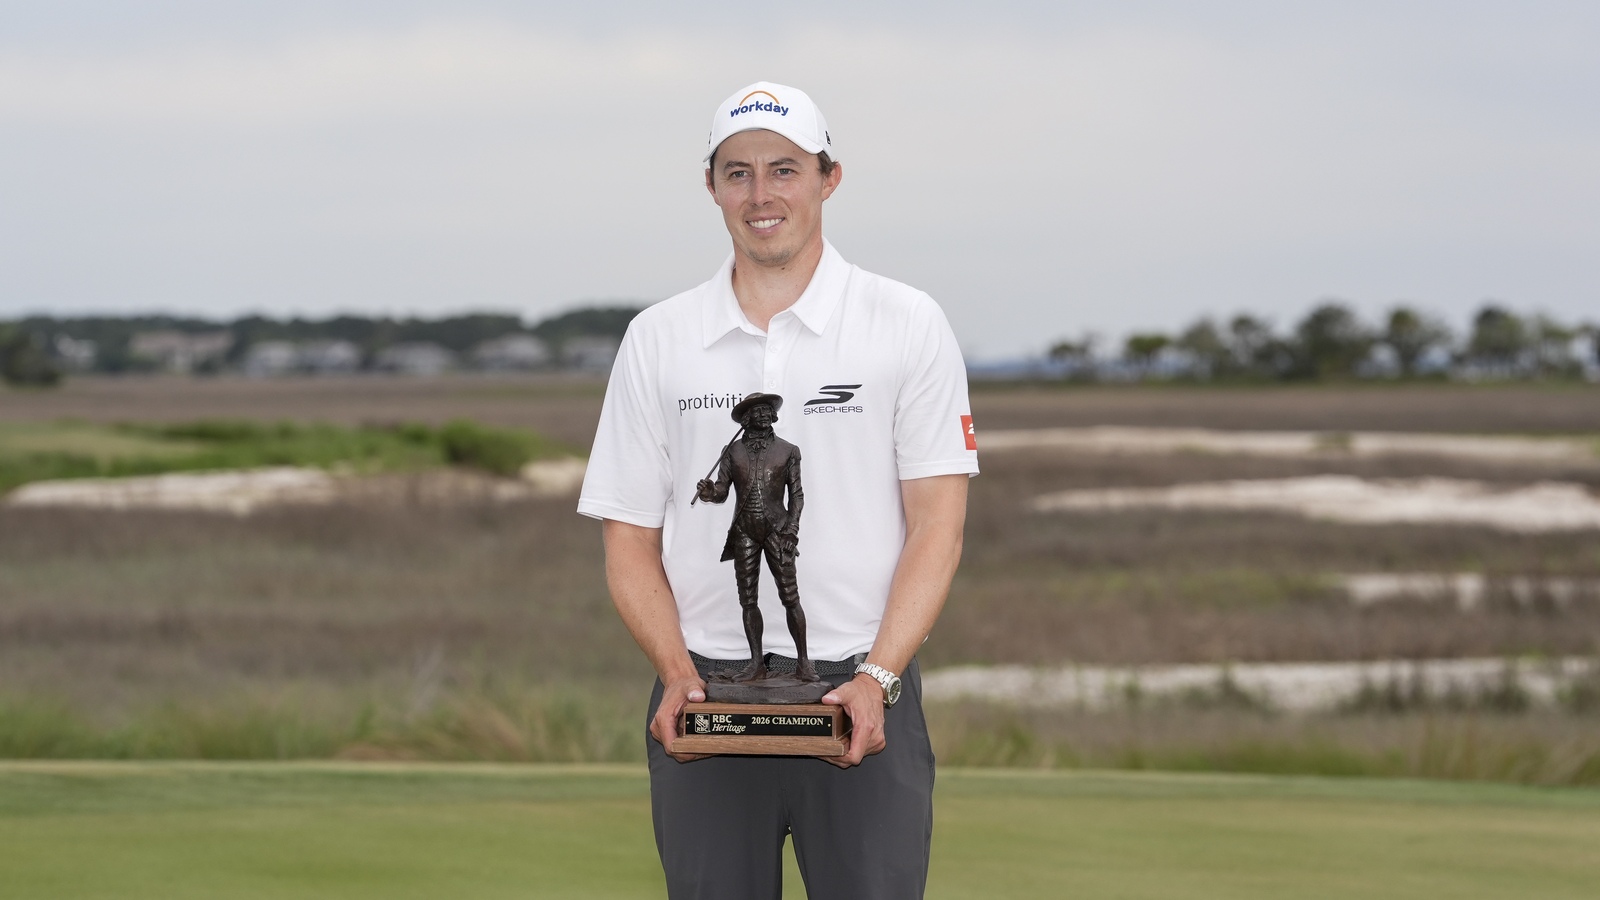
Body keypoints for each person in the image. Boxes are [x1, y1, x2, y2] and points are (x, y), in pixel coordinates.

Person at [578, 80, 978, 900]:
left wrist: (880, 678)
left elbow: (937, 526)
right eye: (738, 172)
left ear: (829, 178)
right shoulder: (657, 339)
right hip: (702, 691)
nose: (762, 195)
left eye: (785, 170)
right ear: (713, 185)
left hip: (864, 697)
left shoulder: (905, 321)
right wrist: (676, 672)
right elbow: (627, 540)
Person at [693, 392, 814, 684]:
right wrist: (710, 492)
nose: (762, 415)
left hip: (778, 531)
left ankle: (803, 663)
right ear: (746, 419)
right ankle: (756, 663)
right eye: (756, 412)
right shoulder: (731, 452)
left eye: (766, 410)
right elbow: (722, 491)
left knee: (790, 597)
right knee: (748, 600)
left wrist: (792, 532)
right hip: (745, 531)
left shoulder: (788, 451)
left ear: (773, 416)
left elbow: (796, 496)